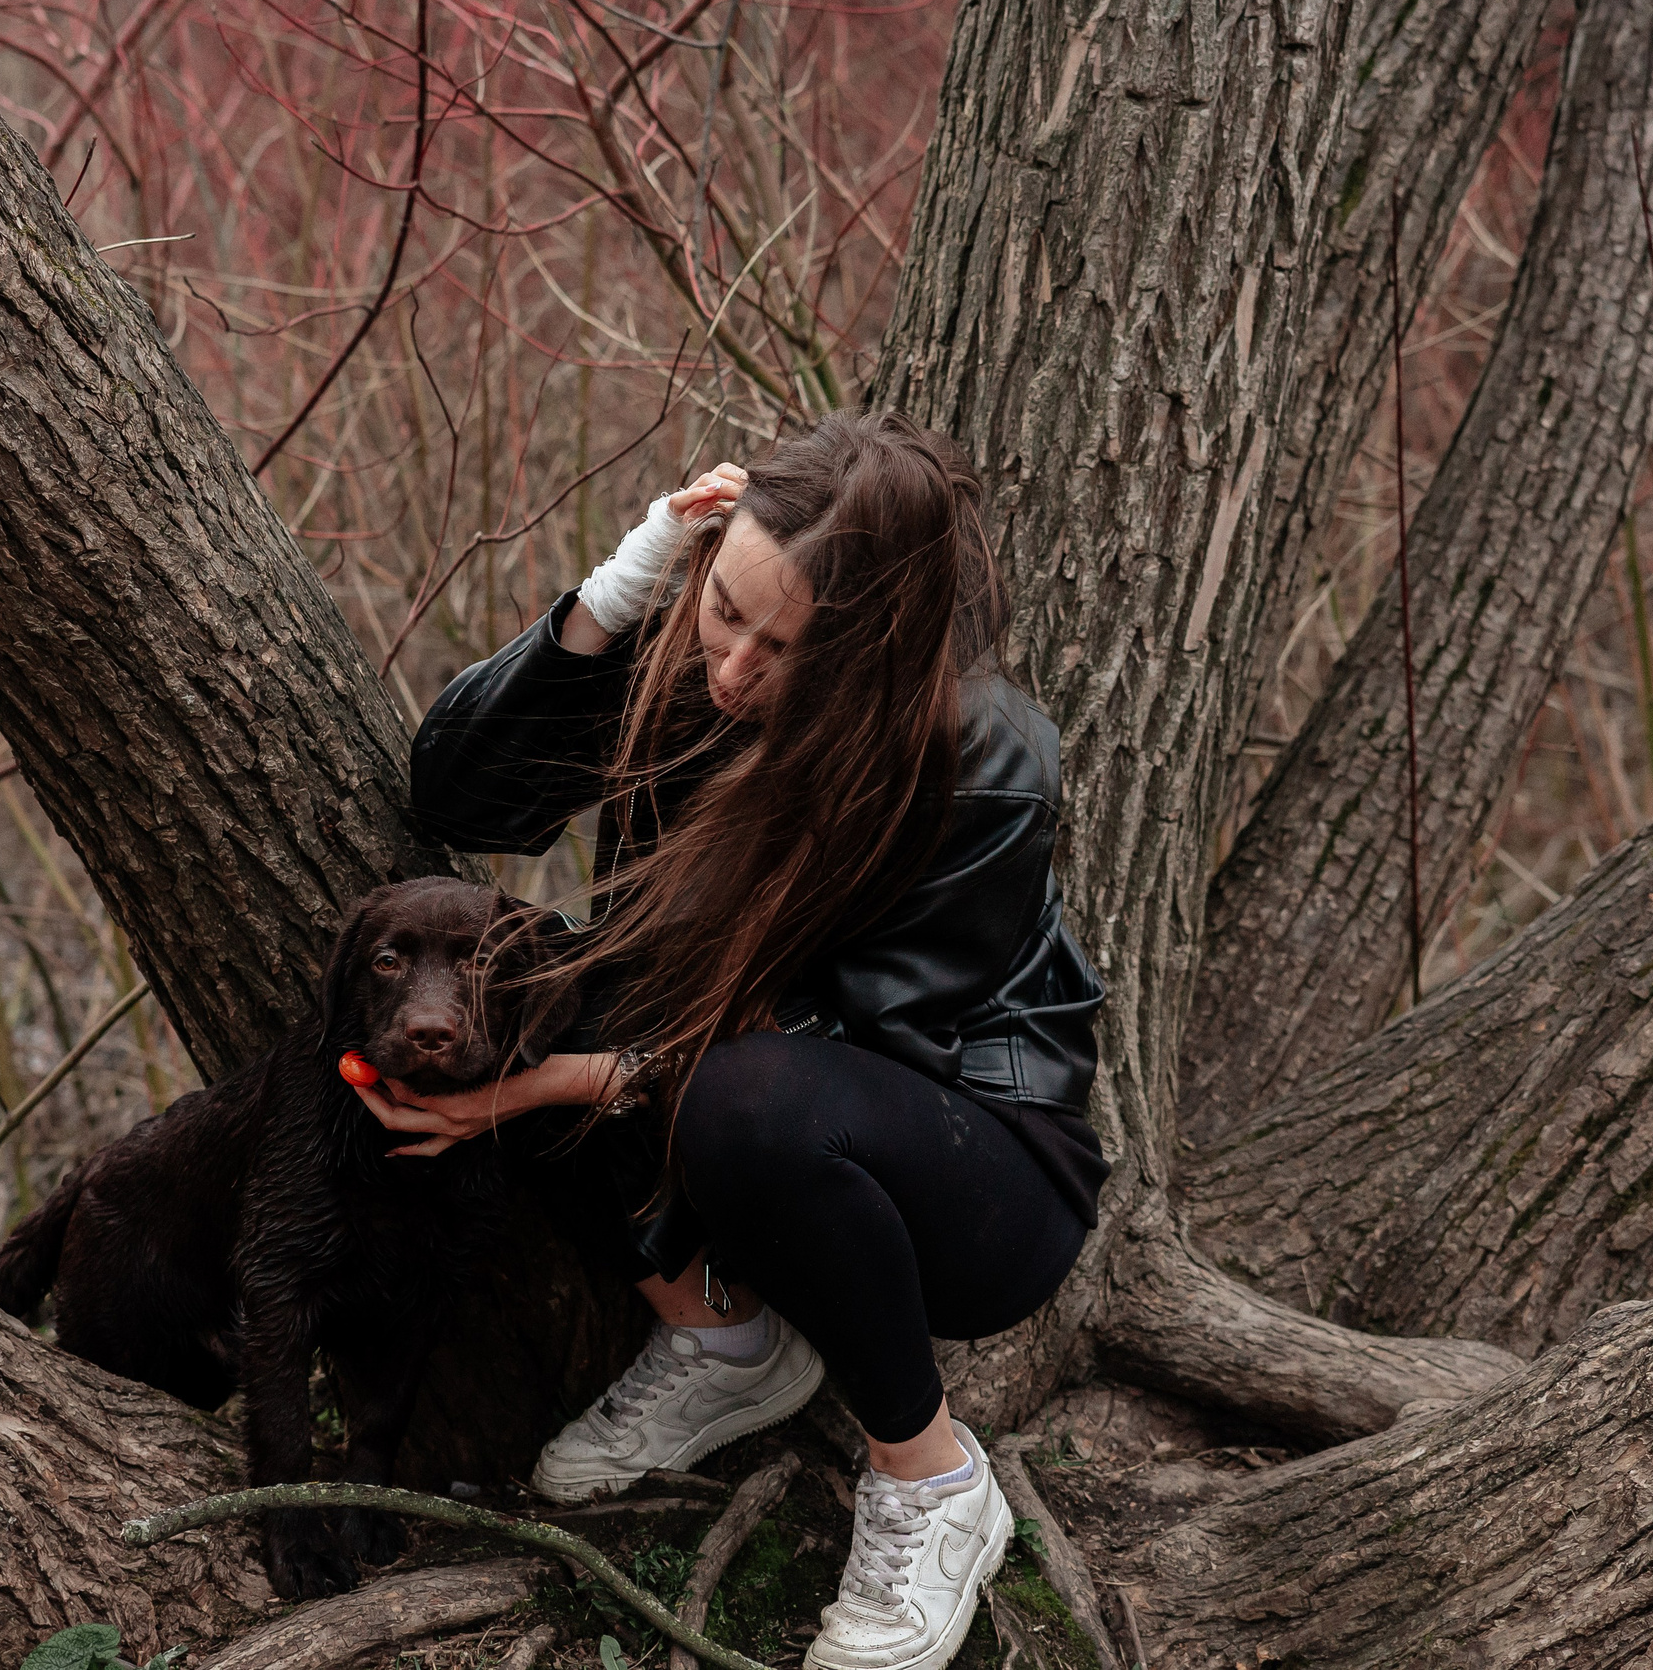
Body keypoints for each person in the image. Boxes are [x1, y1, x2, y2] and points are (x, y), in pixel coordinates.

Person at [362, 409, 1106, 1670]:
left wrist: (546, 1090)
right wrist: (626, 583)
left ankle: (928, 1480)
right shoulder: (677, 662)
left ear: (869, 655)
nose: (733, 670)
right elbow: (458, 797)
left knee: (744, 1104)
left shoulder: (984, 763)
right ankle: (725, 1342)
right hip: (721, 1090)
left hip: (967, 1167)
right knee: (504, 992)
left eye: (784, 649)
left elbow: (852, 1050)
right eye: (726, 612)